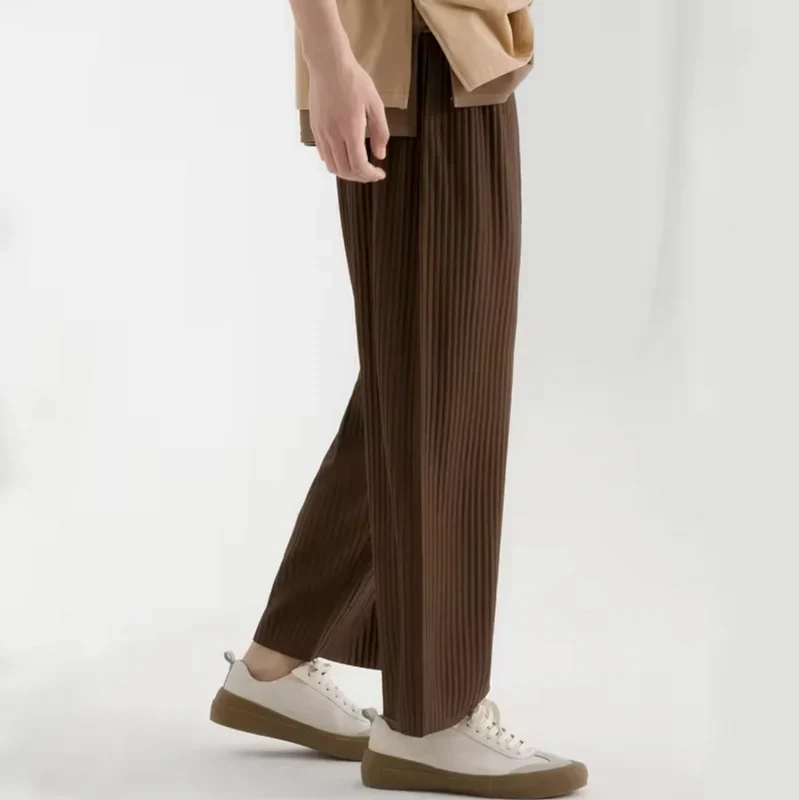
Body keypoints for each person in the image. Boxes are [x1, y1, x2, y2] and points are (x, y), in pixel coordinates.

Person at [210, 1, 589, 797]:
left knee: (423, 379)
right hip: (409, 66)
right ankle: (431, 718)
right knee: (440, 381)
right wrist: (330, 62)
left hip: (458, 51)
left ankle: (277, 663)